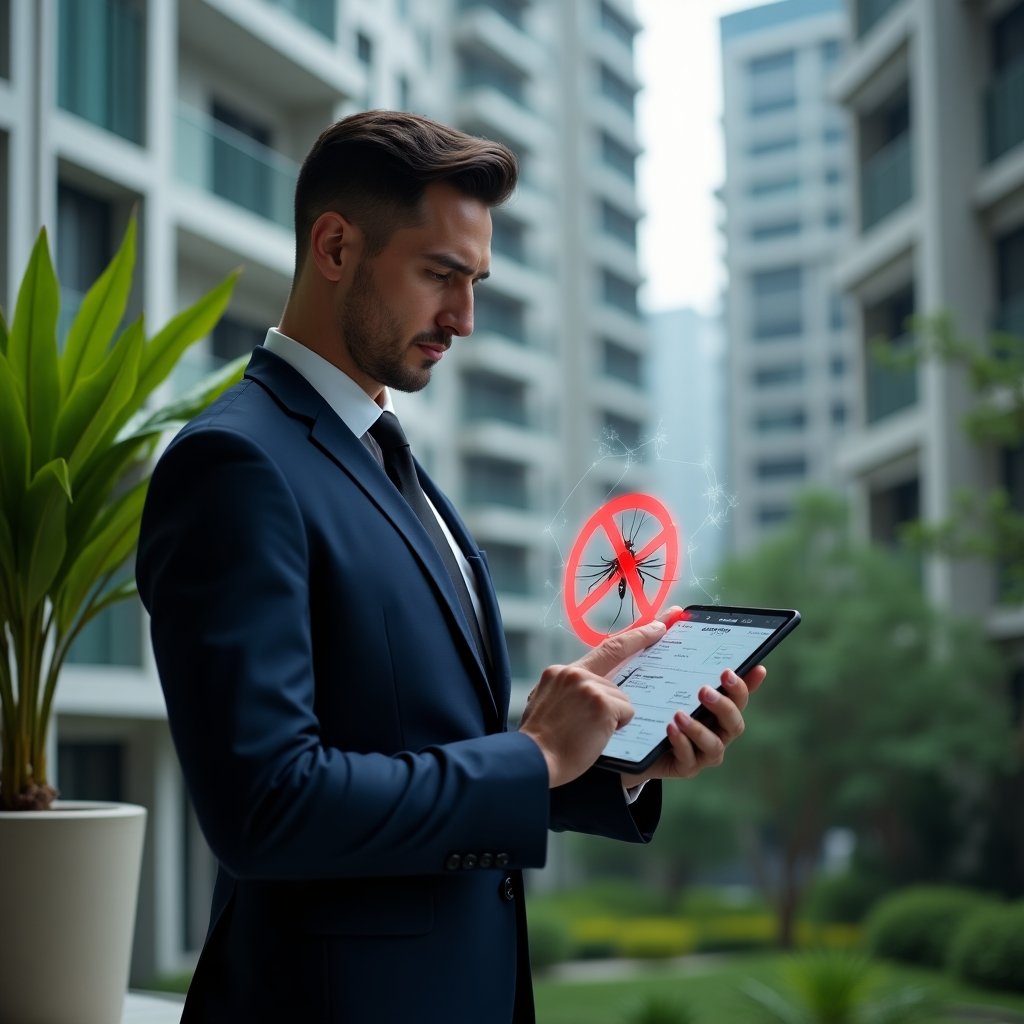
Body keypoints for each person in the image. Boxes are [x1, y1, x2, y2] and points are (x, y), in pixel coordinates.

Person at [136, 110, 765, 1024]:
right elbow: (266, 808)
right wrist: (533, 754)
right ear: (337, 247)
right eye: (439, 275)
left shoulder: (392, 461)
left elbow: (417, 748)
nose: (463, 319)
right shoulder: (235, 465)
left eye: (474, 282)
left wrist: (611, 760)